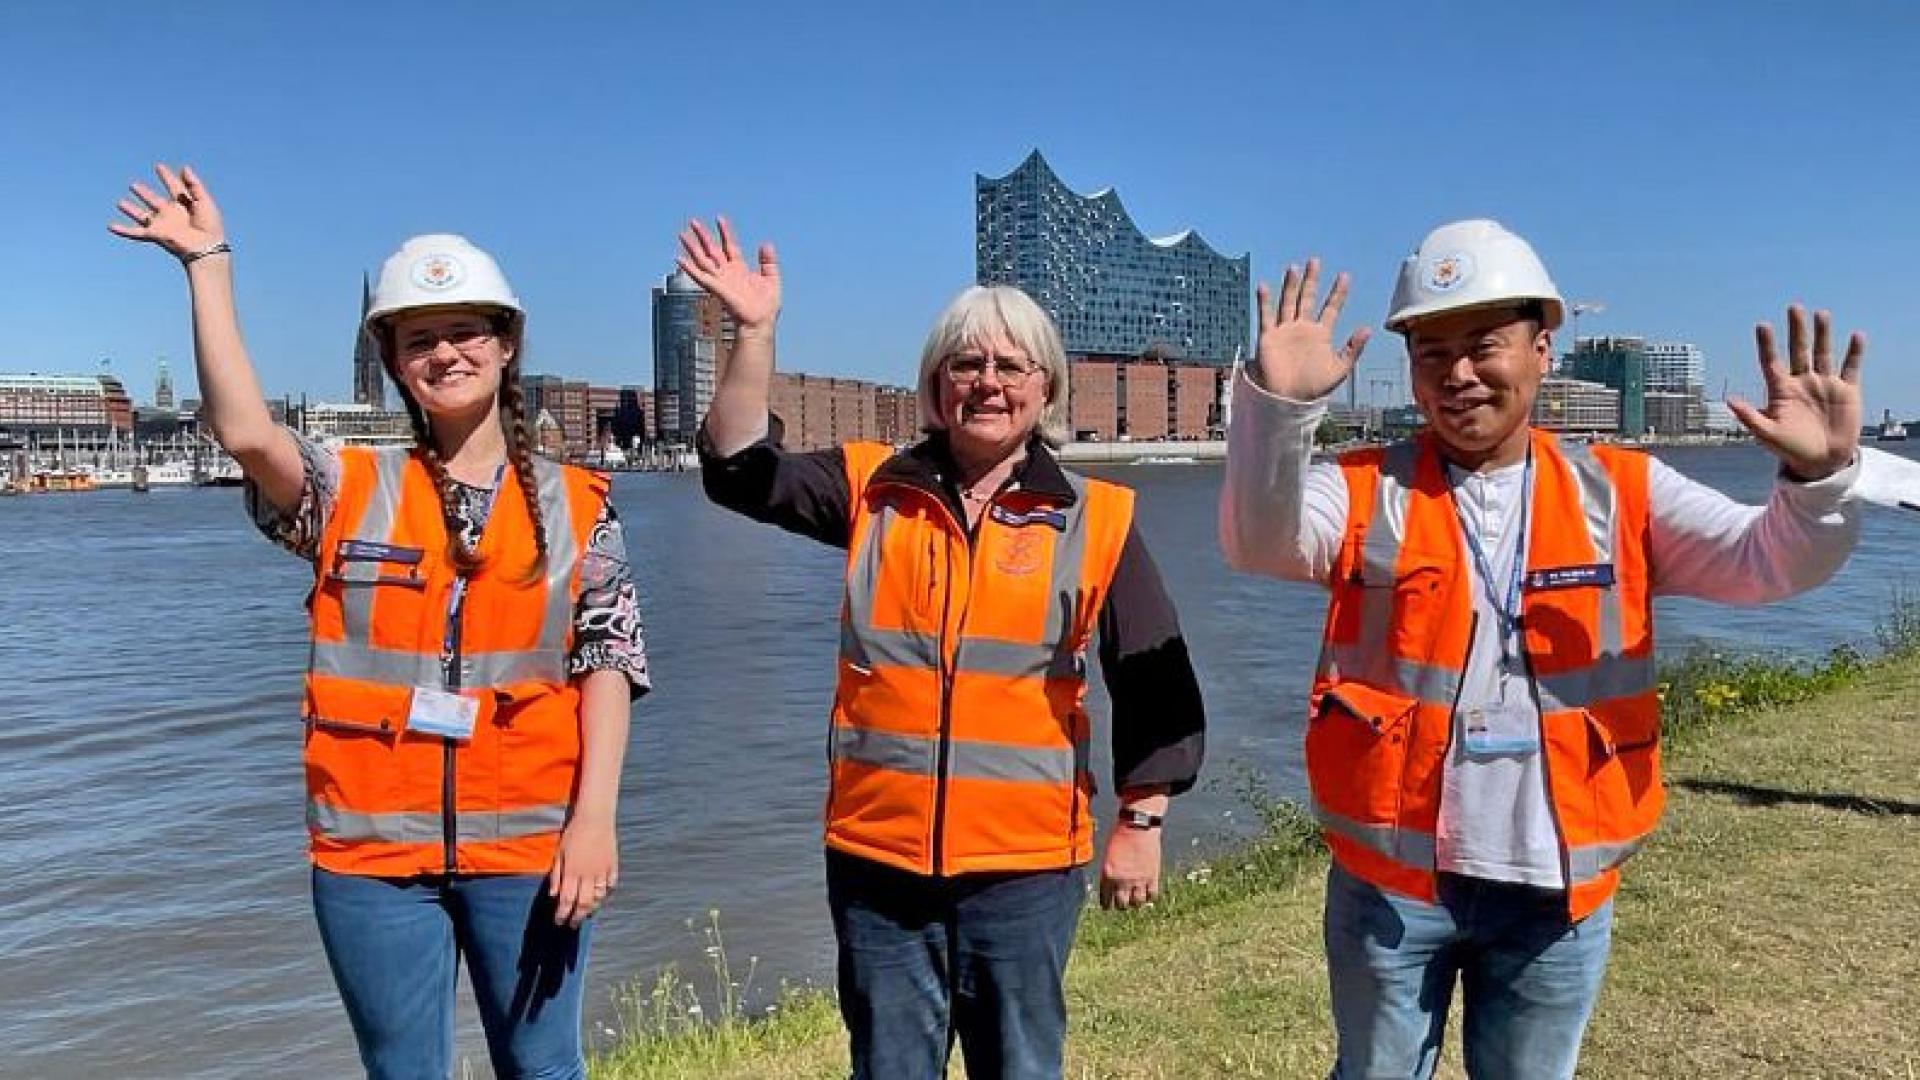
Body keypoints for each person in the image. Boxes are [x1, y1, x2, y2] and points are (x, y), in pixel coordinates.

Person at [1219, 219, 1867, 1079]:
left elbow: (1770, 564)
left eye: (1484, 345)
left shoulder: (1623, 490)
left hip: (1556, 890)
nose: (1457, 374)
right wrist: (1277, 413)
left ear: (1542, 349)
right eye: (1431, 352)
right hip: (1394, 883)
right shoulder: (1365, 489)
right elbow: (1259, 541)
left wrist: (1820, 484)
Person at [111, 165, 649, 1080]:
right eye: (419, 339)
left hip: (527, 844)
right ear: (394, 361)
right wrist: (207, 264)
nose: (445, 354)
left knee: (545, 1065)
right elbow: (244, 433)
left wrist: (594, 820)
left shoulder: (576, 505)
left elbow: (608, 660)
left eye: (465, 332)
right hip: (368, 853)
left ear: (507, 344)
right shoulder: (343, 489)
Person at [682, 217, 1206, 1079]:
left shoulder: (1096, 516)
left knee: (1022, 1066)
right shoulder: (869, 488)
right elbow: (739, 468)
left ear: (1047, 389)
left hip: (1025, 870)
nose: (987, 383)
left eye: (1010, 366)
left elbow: (1157, 682)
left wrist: (1140, 823)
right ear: (935, 384)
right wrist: (755, 333)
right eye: (966, 364)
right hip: (878, 864)